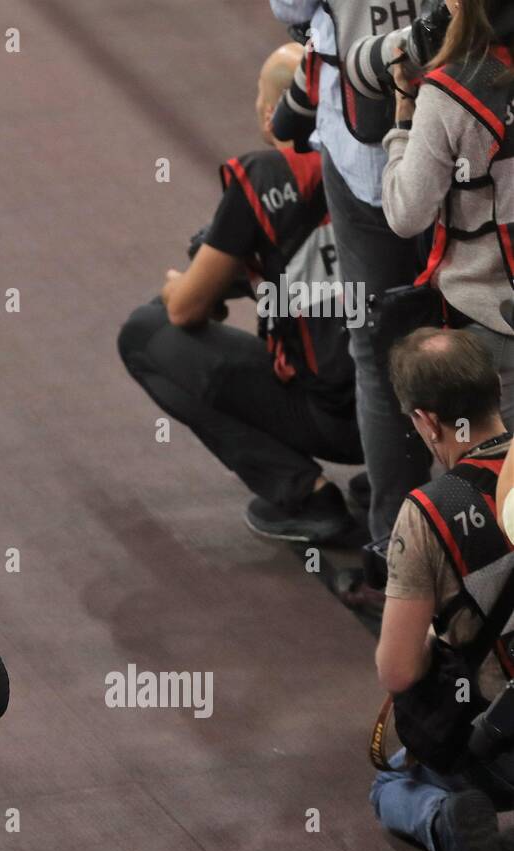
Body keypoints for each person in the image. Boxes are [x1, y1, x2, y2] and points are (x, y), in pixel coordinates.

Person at [118, 43, 363, 543]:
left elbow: (187, 309)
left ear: (273, 112)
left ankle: (305, 495)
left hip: (333, 418)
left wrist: (176, 288)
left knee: (147, 333)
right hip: (413, 418)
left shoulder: (264, 176)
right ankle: (395, 482)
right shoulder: (378, 166)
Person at [271, 2, 432, 582]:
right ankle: (481, 551)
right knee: (484, 344)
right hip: (474, 140)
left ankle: (402, 558)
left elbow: (290, 7)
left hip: (367, 143)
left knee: (382, 350)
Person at [370, 327, 514, 851]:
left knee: (391, 785)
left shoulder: (429, 511)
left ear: (427, 421)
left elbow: (398, 672)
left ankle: (445, 819)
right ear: (495, 389)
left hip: (499, 741)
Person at [382, 0, 514, 425]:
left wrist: (403, 116)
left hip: (486, 331)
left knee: (488, 485)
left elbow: (407, 214)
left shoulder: (451, 90)